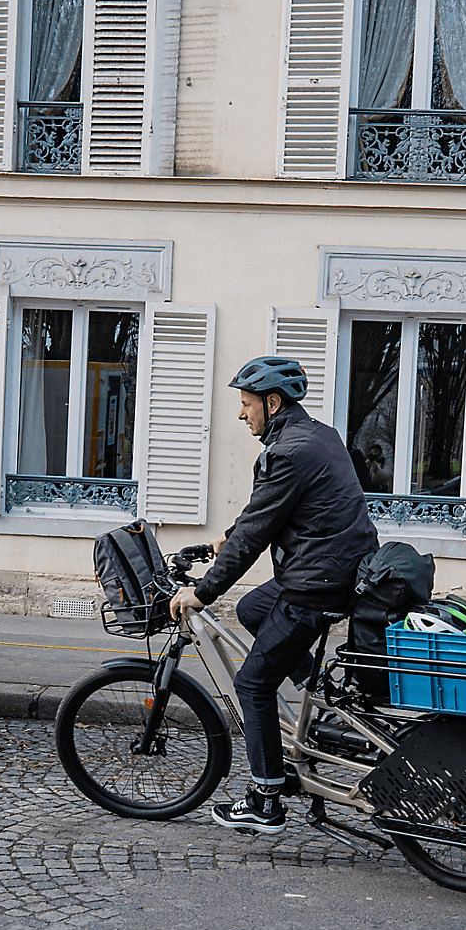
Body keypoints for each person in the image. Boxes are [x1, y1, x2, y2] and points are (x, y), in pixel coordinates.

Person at [168, 356, 378, 834]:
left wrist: (202, 592)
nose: (242, 414)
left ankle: (265, 799)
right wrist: (229, 532)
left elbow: (258, 533)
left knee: (252, 684)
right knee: (252, 608)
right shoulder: (316, 434)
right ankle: (318, 691)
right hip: (330, 568)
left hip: (316, 582)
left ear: (272, 402)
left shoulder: (287, 453)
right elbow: (265, 510)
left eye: (246, 404)